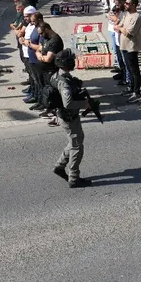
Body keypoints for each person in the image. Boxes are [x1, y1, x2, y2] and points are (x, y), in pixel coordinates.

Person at [49, 49, 90, 188]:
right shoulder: (64, 83)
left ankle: (59, 166)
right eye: (71, 61)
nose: (73, 62)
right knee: (77, 145)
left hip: (63, 116)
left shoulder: (57, 76)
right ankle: (74, 177)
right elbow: (68, 103)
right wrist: (84, 104)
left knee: (73, 142)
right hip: (69, 117)